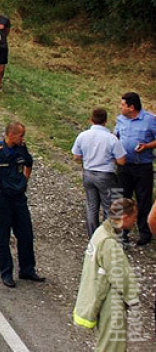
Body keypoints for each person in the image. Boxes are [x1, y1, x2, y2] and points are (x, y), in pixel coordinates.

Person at [73, 198, 140, 352]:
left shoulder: (100, 232)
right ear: (124, 218)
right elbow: (122, 277)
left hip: (98, 297)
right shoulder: (110, 243)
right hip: (112, 303)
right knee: (112, 346)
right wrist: (133, 299)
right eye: (134, 217)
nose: (135, 221)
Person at [0, 122, 45, 287]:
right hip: (2, 199)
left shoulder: (21, 148)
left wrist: (25, 179)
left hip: (18, 197)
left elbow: (28, 163)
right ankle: (6, 273)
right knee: (3, 238)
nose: (22, 138)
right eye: (20, 135)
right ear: (11, 135)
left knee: (26, 234)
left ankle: (27, 269)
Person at [72, 108, 127, 237]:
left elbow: (76, 156)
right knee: (110, 207)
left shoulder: (83, 135)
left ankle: (93, 236)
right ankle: (108, 235)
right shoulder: (111, 138)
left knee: (92, 206)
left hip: (88, 173)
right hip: (106, 175)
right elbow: (122, 161)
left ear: (91, 119)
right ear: (106, 121)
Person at [114, 92, 156, 246]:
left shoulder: (150, 120)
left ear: (131, 107)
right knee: (122, 198)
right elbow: (116, 136)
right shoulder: (120, 120)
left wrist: (147, 146)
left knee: (143, 199)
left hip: (142, 166)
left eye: (123, 104)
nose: (120, 107)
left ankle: (145, 233)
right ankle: (121, 232)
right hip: (124, 166)